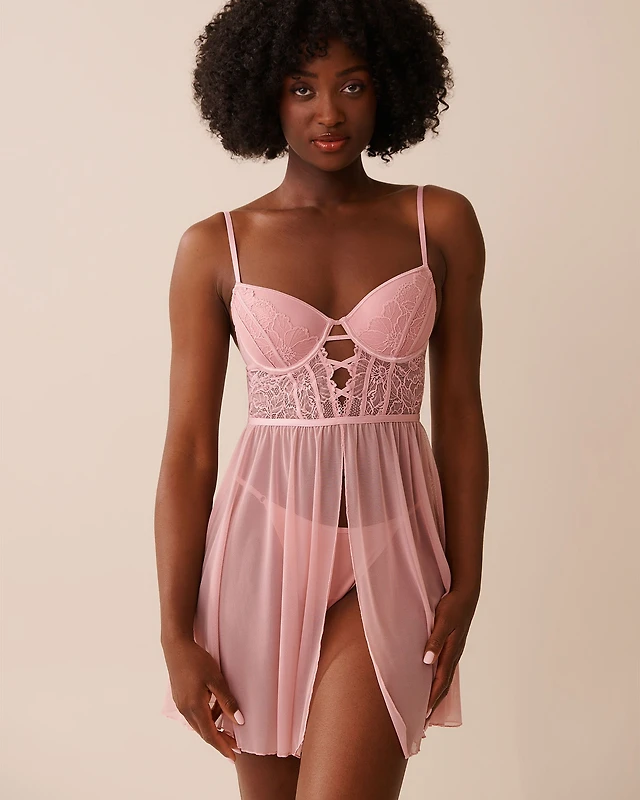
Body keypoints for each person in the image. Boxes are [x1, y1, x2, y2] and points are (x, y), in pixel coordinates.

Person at [155, 2, 488, 798]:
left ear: (389, 88)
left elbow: (461, 417)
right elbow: (190, 452)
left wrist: (468, 581)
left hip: (395, 554)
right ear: (263, 93)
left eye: (353, 84)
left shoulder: (438, 222)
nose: (329, 112)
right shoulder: (215, 246)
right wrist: (173, 633)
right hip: (257, 559)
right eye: (302, 87)